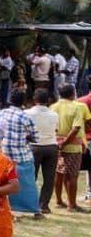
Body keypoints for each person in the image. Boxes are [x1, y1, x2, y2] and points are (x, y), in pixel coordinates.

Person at [0, 90, 40, 217]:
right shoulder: (25, 116)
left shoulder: (2, 113)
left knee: (6, 181)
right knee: (28, 183)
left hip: (5, 153)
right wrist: (27, 137)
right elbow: (36, 138)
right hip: (22, 154)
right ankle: (34, 209)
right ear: (24, 102)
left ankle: (8, 206)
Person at [52, 83, 91, 212]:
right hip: (73, 146)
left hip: (56, 145)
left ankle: (58, 201)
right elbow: (76, 128)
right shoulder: (77, 108)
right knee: (72, 175)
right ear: (73, 93)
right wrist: (65, 142)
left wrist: (59, 143)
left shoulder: (53, 107)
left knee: (59, 173)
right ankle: (71, 205)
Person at [25, 89, 59, 213]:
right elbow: (56, 130)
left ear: (34, 99)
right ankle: (44, 205)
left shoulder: (27, 113)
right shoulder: (54, 114)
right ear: (48, 101)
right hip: (51, 147)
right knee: (49, 178)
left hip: (34, 146)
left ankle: (30, 203)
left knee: (31, 178)